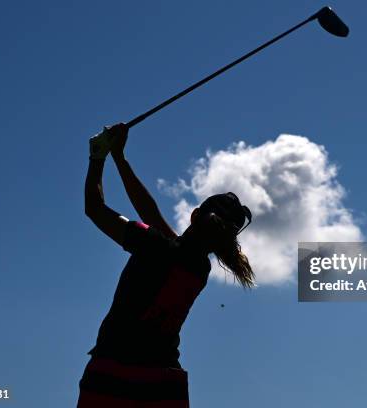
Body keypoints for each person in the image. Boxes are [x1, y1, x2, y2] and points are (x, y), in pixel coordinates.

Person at [78, 123, 254, 407]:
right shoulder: (199, 269)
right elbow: (154, 219)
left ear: (195, 215)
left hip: (112, 372)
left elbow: (94, 207)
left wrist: (98, 156)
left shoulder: (156, 246)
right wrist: (120, 159)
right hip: (162, 383)